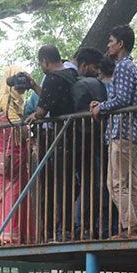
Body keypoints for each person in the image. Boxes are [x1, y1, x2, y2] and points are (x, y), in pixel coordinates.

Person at [90, 24, 137, 238]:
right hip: (133, 134)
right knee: (134, 183)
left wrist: (101, 108)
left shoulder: (123, 67)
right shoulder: (133, 68)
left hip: (122, 132)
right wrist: (103, 104)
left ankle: (129, 227)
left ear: (121, 44)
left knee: (116, 183)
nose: (108, 45)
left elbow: (122, 100)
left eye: (111, 41)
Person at [27, 44, 79, 241]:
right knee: (69, 183)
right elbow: (52, 97)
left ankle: (57, 230)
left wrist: (34, 116)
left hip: (59, 138)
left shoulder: (52, 78)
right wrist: (34, 86)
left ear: (44, 61)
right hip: (74, 135)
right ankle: (66, 228)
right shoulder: (70, 75)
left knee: (57, 185)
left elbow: (42, 110)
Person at [0, 65, 34, 244]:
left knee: (16, 192)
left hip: (16, 148)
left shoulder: (18, 99)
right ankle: (1, 234)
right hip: (5, 149)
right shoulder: (6, 98)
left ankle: (15, 234)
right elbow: (14, 121)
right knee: (6, 192)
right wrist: (27, 125)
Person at [71, 47, 114, 240]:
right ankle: (91, 227)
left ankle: (82, 227)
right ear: (84, 65)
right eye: (95, 67)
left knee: (89, 185)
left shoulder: (80, 84)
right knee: (95, 184)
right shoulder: (91, 84)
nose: (98, 71)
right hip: (93, 142)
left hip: (84, 143)